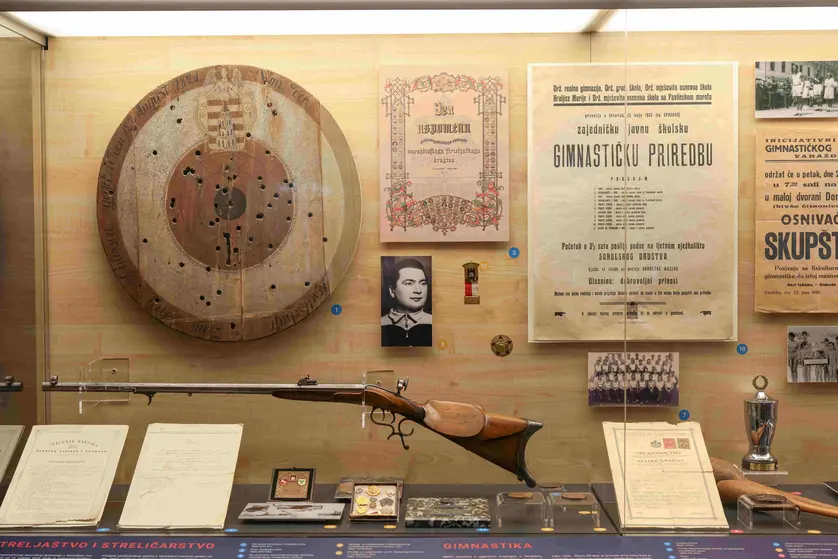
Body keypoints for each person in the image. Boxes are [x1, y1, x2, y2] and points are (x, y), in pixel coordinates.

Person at [381, 258, 432, 347]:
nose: (418, 290)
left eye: (423, 283)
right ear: (392, 291)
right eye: (409, 283)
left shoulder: (434, 322)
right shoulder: (380, 324)